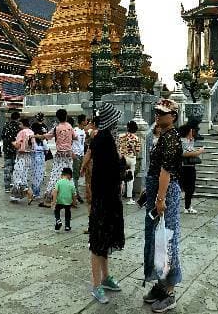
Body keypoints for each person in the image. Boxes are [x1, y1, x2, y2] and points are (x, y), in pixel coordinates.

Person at [142, 99, 184, 312]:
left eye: (163, 113)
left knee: (166, 239)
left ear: (173, 117)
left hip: (165, 194)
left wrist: (160, 199)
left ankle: (169, 290)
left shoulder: (172, 138)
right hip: (157, 191)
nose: (158, 115)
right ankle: (160, 283)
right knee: (157, 239)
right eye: (157, 111)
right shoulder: (164, 136)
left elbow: (166, 171)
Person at [86, 102, 126, 304]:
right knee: (98, 240)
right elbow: (100, 166)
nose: (118, 123)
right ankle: (96, 285)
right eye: (116, 119)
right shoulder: (103, 139)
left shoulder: (108, 138)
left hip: (109, 196)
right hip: (103, 196)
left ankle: (106, 277)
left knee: (106, 239)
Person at [42, 108, 78, 207]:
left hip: (60, 155)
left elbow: (47, 136)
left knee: (55, 176)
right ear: (66, 116)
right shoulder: (70, 126)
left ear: (57, 118)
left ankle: (49, 198)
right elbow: (75, 137)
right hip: (68, 154)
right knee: (69, 176)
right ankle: (72, 199)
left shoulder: (56, 128)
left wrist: (36, 136)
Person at [179, 123, 204, 214]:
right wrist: (198, 152)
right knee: (189, 187)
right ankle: (187, 207)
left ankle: (187, 206)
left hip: (189, 166)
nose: (192, 132)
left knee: (190, 187)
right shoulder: (183, 141)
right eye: (191, 130)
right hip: (185, 167)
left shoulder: (189, 140)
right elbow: (184, 153)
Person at [10, 118, 35, 203]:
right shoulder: (31, 132)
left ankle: (25, 192)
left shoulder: (21, 132)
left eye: (20, 124)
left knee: (17, 176)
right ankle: (20, 195)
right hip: (29, 157)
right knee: (23, 177)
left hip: (21, 156)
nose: (19, 125)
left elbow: (17, 146)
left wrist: (13, 143)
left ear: (23, 124)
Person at [118, 120, 142, 202]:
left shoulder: (121, 136)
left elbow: (117, 147)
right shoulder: (136, 138)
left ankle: (119, 196)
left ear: (127, 127)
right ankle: (129, 198)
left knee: (121, 178)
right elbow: (137, 152)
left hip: (122, 158)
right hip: (131, 158)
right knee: (130, 179)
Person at [1, 111, 21, 193]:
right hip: (17, 150)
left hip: (7, 150)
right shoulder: (19, 126)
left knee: (7, 168)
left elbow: (2, 136)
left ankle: (7, 187)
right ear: (18, 118)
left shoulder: (6, 125)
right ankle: (15, 184)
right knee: (16, 168)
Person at [52, 167, 77, 232]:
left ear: (62, 175)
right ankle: (67, 226)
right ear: (69, 175)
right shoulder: (71, 184)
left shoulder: (59, 182)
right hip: (68, 201)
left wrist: (54, 201)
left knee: (56, 211)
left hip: (59, 200)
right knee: (68, 213)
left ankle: (58, 221)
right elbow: (74, 194)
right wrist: (74, 202)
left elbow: (55, 191)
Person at [72, 115, 87, 203]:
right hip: (76, 154)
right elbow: (70, 141)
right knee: (75, 174)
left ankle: (76, 193)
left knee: (78, 174)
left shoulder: (83, 131)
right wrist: (72, 153)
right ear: (82, 121)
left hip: (81, 154)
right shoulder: (75, 130)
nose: (86, 122)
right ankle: (76, 193)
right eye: (85, 120)